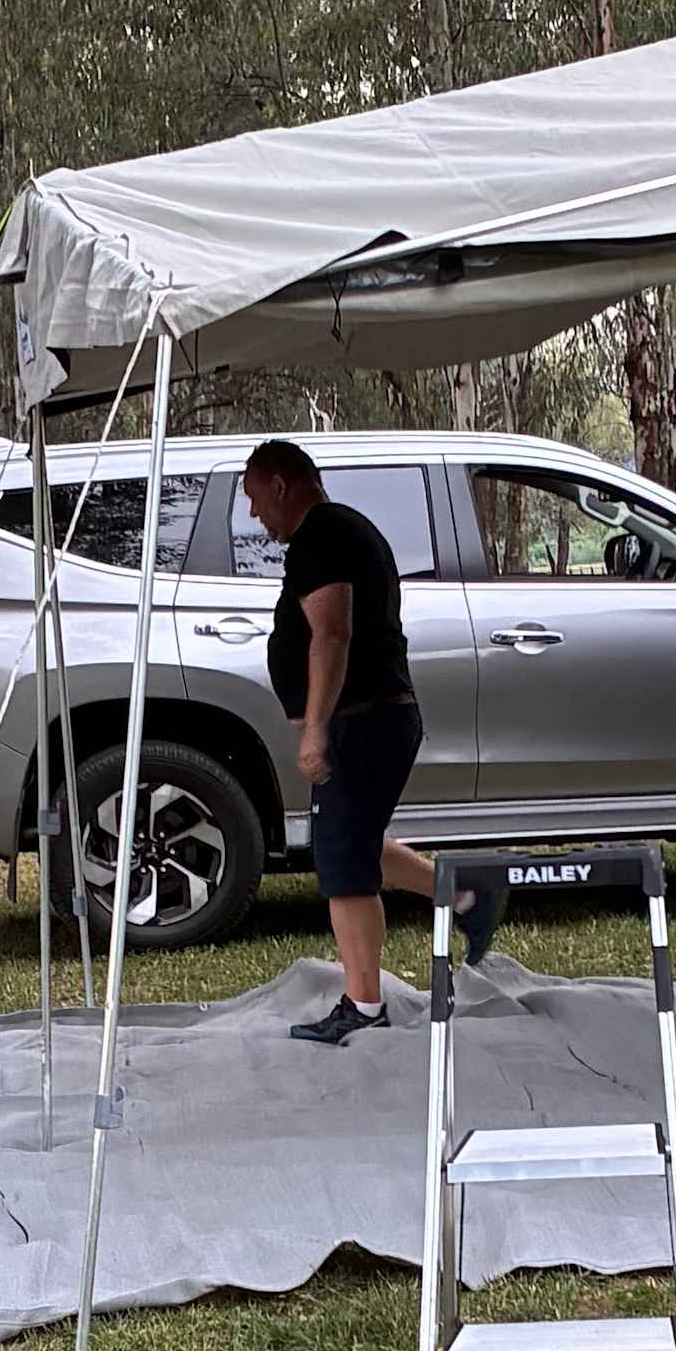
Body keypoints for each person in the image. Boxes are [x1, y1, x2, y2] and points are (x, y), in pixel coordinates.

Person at [237, 440, 503, 1041]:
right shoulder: (343, 529)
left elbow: (332, 635)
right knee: (353, 844)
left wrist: (315, 729)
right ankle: (464, 893)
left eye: (255, 500)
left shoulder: (322, 537)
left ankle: (362, 1006)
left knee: (343, 869)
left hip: (361, 719)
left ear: (281, 485)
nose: (256, 516)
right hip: (376, 717)